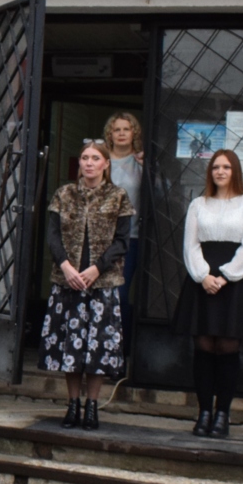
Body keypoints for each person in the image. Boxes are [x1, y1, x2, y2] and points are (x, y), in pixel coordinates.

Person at [39, 140, 133, 430]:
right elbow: (52, 235)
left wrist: (97, 268)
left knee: (98, 347)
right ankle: (72, 404)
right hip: (68, 281)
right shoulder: (64, 194)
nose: (89, 163)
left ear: (106, 164)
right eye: (84, 158)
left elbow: (122, 241)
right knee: (71, 346)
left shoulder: (118, 196)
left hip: (102, 283)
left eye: (95, 158)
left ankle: (92, 406)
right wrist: (66, 266)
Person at [171, 149, 243, 438]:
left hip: (234, 281)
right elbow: (191, 245)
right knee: (203, 346)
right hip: (202, 280)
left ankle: (223, 414)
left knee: (227, 347)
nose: (220, 172)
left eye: (226, 167)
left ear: (235, 171)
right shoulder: (199, 204)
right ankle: (204, 413)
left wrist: (225, 277)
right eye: (215, 167)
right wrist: (203, 276)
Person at [103, 112, 143, 354]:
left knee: (120, 293)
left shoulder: (140, 163)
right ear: (110, 134)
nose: (120, 133)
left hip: (130, 237)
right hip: (100, 238)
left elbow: (162, 190)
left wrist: (150, 168)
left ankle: (119, 352)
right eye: (116, 129)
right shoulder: (100, 160)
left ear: (133, 133)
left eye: (125, 129)